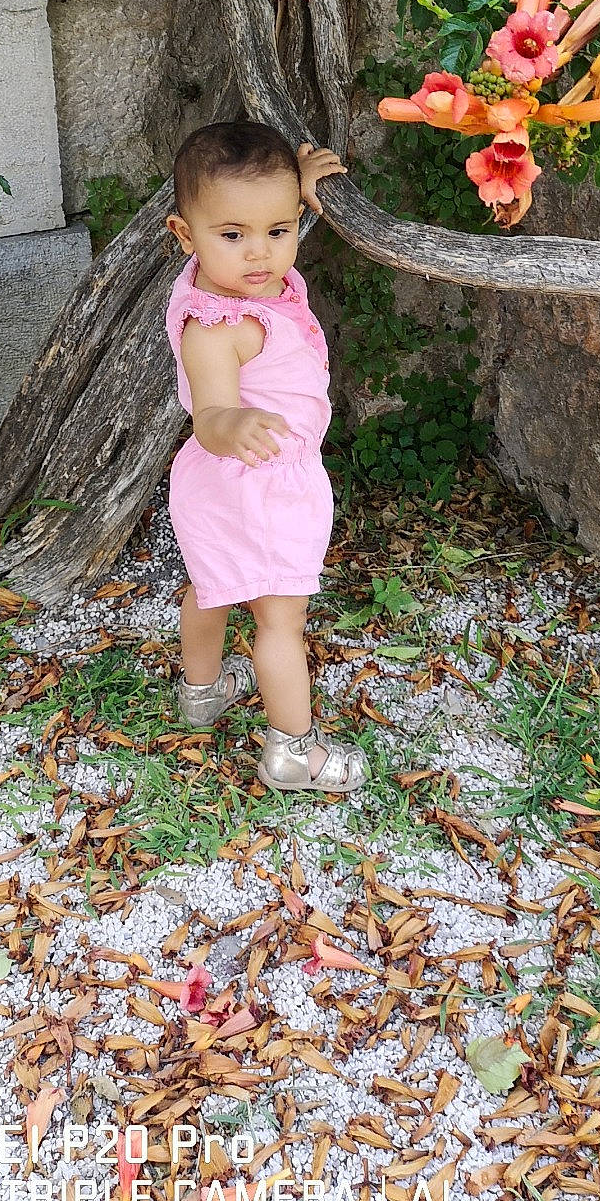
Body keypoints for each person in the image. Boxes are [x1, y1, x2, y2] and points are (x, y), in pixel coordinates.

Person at [161, 119, 366, 794]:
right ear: (184, 236)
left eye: (278, 231)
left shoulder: (231, 281)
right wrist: (232, 421)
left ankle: (201, 692)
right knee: (280, 620)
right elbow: (213, 414)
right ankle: (291, 753)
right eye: (233, 235)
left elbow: (262, 218)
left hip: (223, 485)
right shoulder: (216, 327)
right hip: (257, 481)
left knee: (212, 588)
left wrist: (299, 194)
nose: (260, 254)